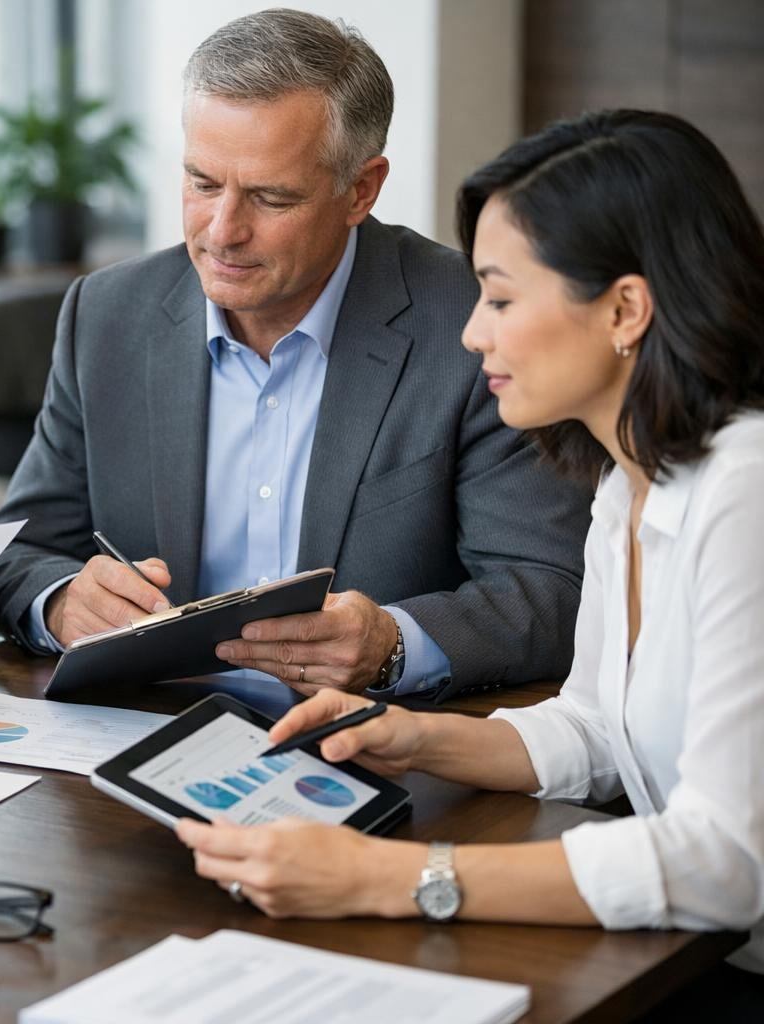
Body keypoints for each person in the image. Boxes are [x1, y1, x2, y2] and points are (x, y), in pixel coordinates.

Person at [177, 110, 764, 1016]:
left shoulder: (747, 493)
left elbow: (724, 863)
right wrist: (415, 737)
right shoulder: (629, 483)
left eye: (498, 297)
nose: (471, 336)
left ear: (624, 309)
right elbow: (602, 732)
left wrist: (392, 876)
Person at [0, 9, 590, 704]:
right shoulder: (108, 315)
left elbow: (550, 591)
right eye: (203, 184)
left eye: (271, 197)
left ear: (361, 189)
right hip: (148, 738)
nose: (223, 231)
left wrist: (391, 644)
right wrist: (62, 602)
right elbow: (14, 554)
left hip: (376, 746)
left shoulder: (468, 323)